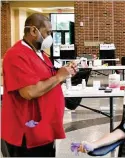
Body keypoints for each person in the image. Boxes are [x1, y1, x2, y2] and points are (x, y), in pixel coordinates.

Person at [1, 13, 77, 157]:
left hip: (43, 129)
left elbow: (49, 78)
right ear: (33, 31)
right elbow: (29, 92)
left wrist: (64, 73)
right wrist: (59, 76)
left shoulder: (39, 54)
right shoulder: (16, 55)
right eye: (47, 33)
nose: (50, 37)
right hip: (26, 134)